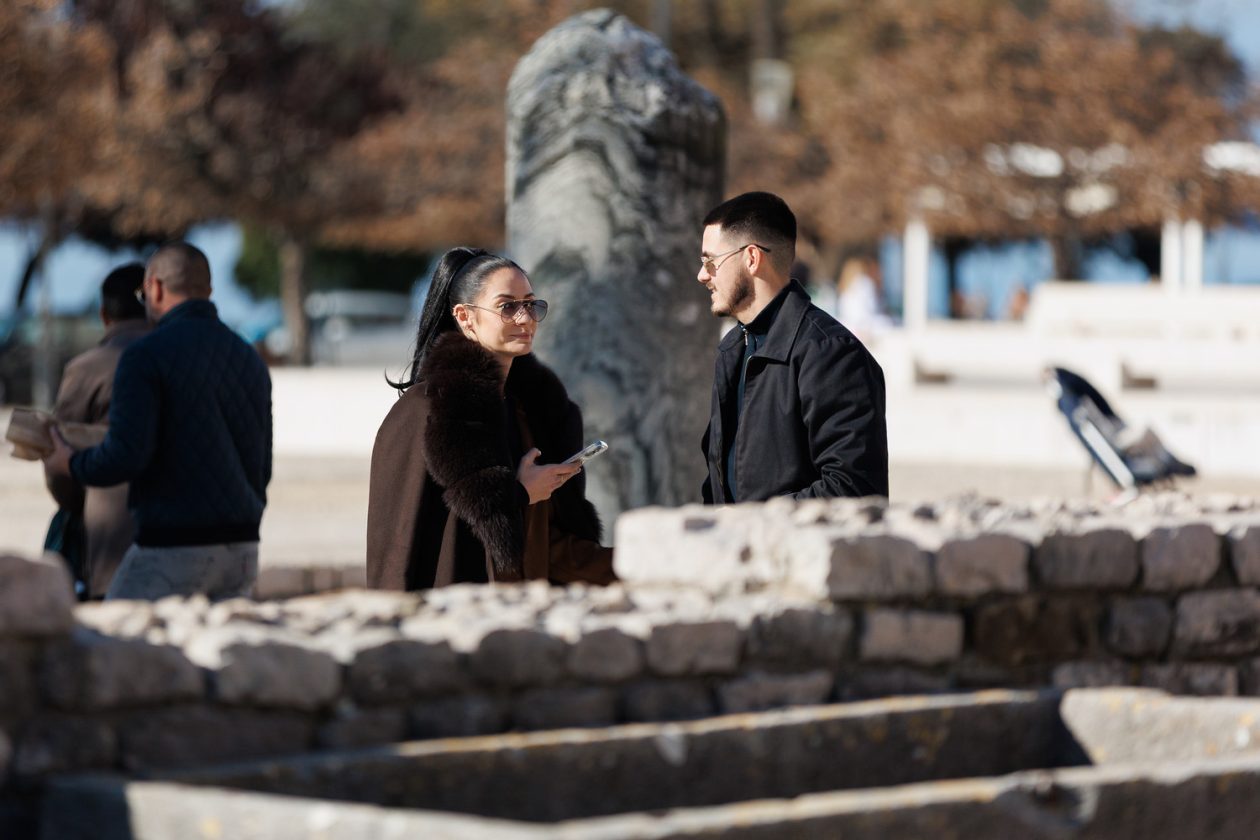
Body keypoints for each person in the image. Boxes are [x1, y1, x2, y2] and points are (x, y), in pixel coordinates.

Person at [367, 247, 613, 590]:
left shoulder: (532, 411)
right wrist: (519, 493)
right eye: (507, 307)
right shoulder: (425, 411)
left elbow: (546, 546)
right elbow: (399, 553)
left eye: (531, 304)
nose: (525, 319)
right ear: (465, 317)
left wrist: (633, 565)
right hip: (450, 611)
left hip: (523, 611)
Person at [42, 242, 272, 601]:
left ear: (156, 288)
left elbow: (126, 455)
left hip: (172, 546)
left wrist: (71, 463)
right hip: (243, 547)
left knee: (115, 632)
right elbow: (262, 465)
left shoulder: (144, 357)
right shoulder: (249, 358)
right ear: (209, 290)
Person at [697, 191, 888, 503]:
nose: (703, 275)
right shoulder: (732, 349)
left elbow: (853, 489)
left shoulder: (831, 353)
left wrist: (751, 523)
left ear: (751, 258)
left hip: (786, 538)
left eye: (710, 261)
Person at [43, 263, 150, 599]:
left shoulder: (87, 368)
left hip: (113, 543)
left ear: (104, 314)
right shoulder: (184, 358)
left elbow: (60, 465)